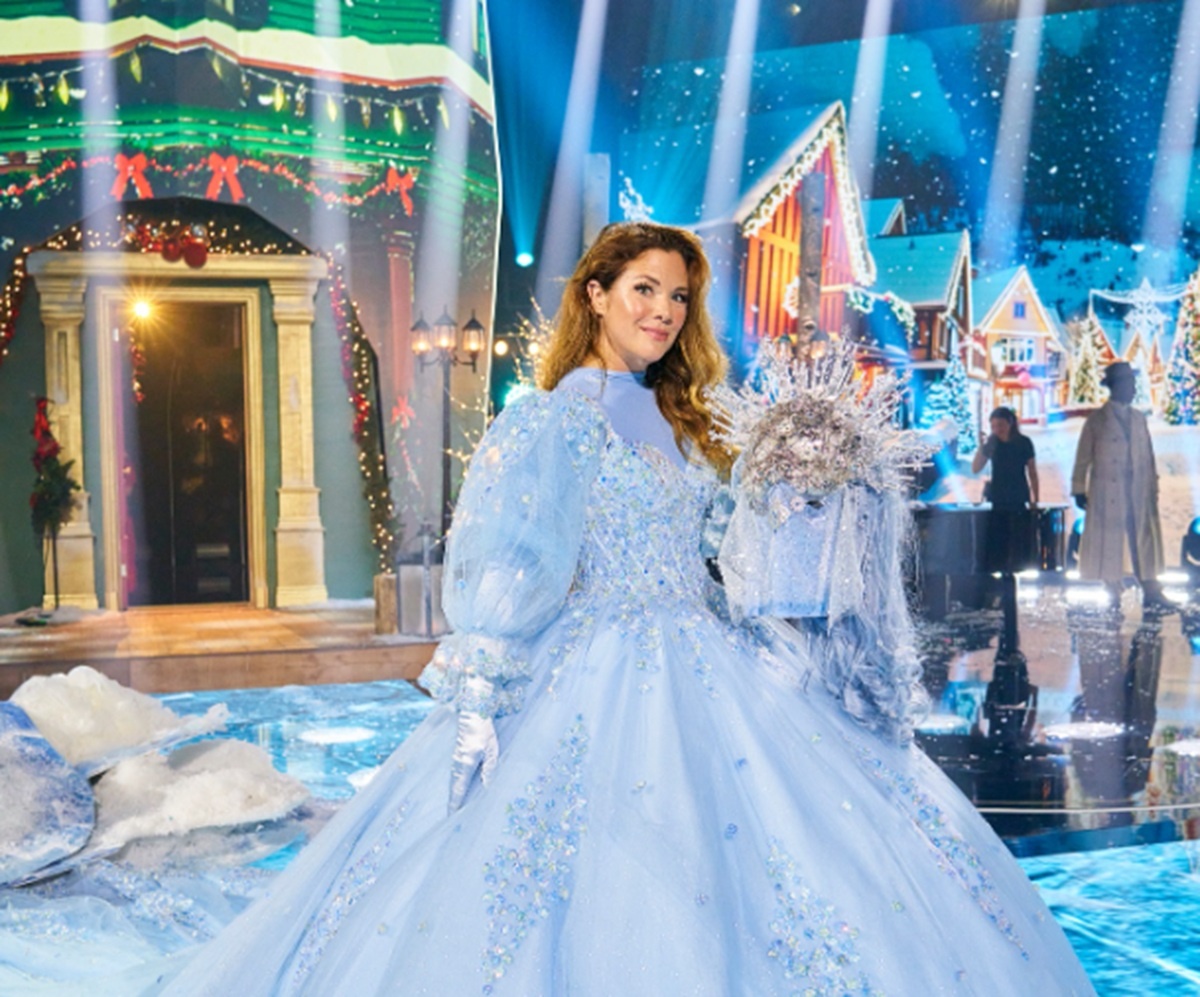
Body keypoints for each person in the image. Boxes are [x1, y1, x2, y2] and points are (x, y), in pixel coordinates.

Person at [161, 222, 1094, 995]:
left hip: (708, 650)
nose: (664, 310)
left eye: (678, 296)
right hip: (595, 663)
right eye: (644, 289)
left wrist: (801, 496)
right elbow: (511, 554)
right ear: (596, 294)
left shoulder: (682, 415)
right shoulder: (555, 415)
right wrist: (479, 694)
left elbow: (722, 554)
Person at [1071, 361, 1170, 614]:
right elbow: (1083, 457)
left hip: (1137, 489)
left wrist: (1152, 486)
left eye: (1133, 383)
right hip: (1108, 489)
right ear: (1116, 386)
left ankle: (1150, 588)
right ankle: (1112, 588)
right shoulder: (1097, 420)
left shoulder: (1138, 419)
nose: (1133, 389)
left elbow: (1148, 455)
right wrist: (1079, 488)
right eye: (1129, 383)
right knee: (1110, 539)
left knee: (1142, 538)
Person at [972, 406, 1039, 652]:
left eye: (1000, 425)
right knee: (999, 540)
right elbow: (976, 467)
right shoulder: (992, 444)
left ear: (1010, 423)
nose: (997, 430)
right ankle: (1002, 574)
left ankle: (1012, 571)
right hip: (998, 499)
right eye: (993, 426)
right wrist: (982, 447)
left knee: (1016, 539)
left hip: (1018, 498)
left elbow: (1032, 471)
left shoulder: (1024, 443)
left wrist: (1036, 499)